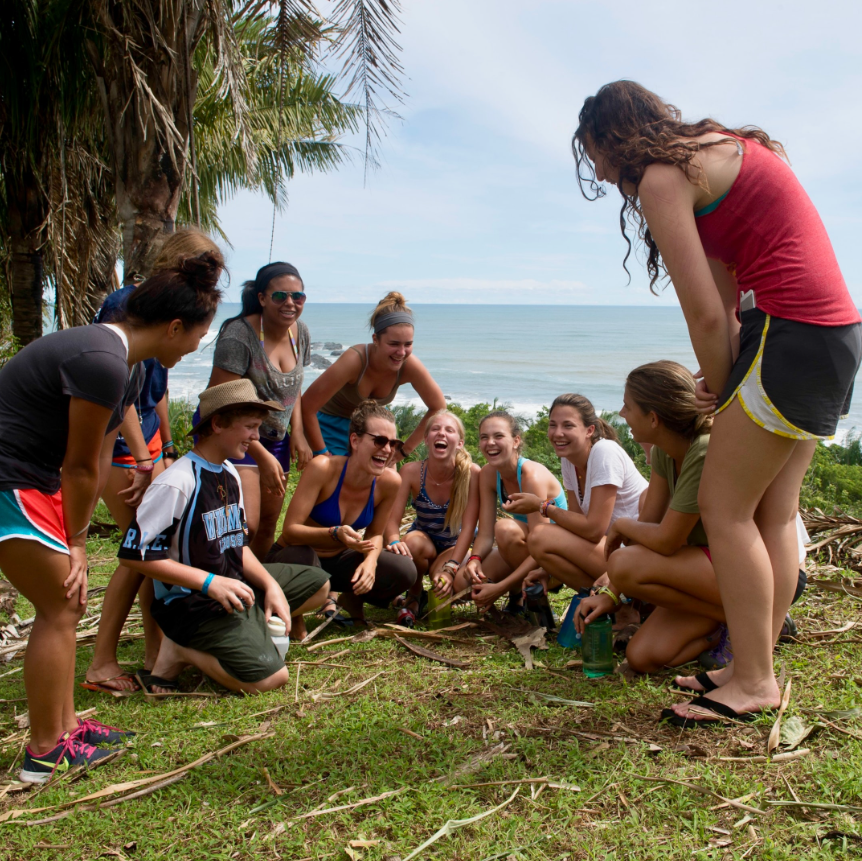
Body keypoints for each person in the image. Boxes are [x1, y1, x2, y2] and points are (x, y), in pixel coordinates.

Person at [574, 81, 861, 725]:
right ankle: (752, 663)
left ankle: (755, 680)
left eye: (594, 153)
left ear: (612, 138)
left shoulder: (660, 176)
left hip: (787, 330)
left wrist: (720, 389)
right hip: (830, 334)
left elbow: (704, 313)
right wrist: (722, 377)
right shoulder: (723, 151)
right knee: (773, 512)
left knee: (724, 509)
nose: (597, 170)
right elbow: (729, 298)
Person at [0, 251, 224, 782]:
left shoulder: (124, 368)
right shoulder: (100, 358)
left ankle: (68, 728)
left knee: (68, 600)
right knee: (59, 603)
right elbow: (79, 466)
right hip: (10, 477)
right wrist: (77, 541)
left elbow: (98, 461)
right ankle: (43, 751)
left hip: (35, 478)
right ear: (173, 327)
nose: (195, 347)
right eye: (197, 336)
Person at [118, 380, 329, 695]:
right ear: (217, 424)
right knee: (273, 679)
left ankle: (249, 624)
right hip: (192, 605)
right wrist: (209, 583)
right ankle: (179, 650)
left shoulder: (228, 473)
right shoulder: (177, 483)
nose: (256, 437)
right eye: (249, 427)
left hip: (233, 587)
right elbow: (134, 556)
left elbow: (236, 544)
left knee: (320, 585)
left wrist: (271, 587)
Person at [85, 228, 222, 695]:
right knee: (137, 555)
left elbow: (155, 392)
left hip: (149, 445)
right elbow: (116, 390)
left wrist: (166, 448)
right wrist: (143, 460)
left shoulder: (177, 314)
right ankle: (104, 661)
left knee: (154, 549)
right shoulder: (128, 303)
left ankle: (155, 649)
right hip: (123, 448)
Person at [573, 362, 721, 675]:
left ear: (653, 419)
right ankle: (722, 627)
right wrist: (610, 594)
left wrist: (622, 526)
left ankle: (748, 618)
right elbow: (651, 523)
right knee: (641, 658)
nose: (622, 413)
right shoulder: (664, 453)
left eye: (628, 406)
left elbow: (666, 540)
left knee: (624, 562)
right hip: (699, 573)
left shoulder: (704, 450)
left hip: (729, 566)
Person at [266, 401, 417, 624]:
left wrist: (371, 562)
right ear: (355, 440)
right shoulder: (323, 469)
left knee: (404, 570)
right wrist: (335, 533)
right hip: (299, 557)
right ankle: (294, 612)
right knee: (301, 556)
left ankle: (352, 598)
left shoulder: (389, 482)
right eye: (379, 441)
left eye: (393, 443)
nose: (387, 450)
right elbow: (290, 531)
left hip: (340, 560)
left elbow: (375, 533)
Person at [201, 262, 311, 558]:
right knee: (243, 525)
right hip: (234, 437)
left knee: (267, 524)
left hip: (278, 439)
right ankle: (220, 582)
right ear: (262, 298)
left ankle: (254, 590)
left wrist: (298, 433)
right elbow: (219, 400)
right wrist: (259, 453)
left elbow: (294, 388)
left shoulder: (299, 332)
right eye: (280, 296)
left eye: (298, 296)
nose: (290, 303)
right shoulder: (239, 336)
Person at [523, 394, 647, 593]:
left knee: (540, 536)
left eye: (568, 426)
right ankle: (615, 607)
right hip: (613, 551)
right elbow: (575, 523)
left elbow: (593, 529)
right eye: (552, 425)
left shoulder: (604, 451)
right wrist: (548, 570)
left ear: (589, 430)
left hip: (639, 554)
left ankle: (627, 604)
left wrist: (542, 506)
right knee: (540, 543)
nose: (557, 433)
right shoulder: (569, 459)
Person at [301, 292, 446, 459]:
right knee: (336, 479)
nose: (401, 352)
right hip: (330, 428)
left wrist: (404, 450)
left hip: (373, 434)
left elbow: (438, 407)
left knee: (387, 481)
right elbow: (307, 406)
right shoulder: (355, 360)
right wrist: (321, 453)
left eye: (408, 344)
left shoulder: (409, 365)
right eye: (394, 344)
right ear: (375, 339)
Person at [383, 410, 481, 626]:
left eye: (449, 430)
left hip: (456, 546)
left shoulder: (471, 473)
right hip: (423, 541)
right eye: (435, 429)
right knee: (411, 543)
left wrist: (452, 567)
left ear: (460, 443)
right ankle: (415, 593)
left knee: (453, 587)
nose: (441, 434)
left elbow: (469, 528)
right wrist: (393, 541)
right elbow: (392, 520)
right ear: (426, 440)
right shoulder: (410, 472)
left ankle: (438, 591)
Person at [465, 411, 568, 614]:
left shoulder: (531, 475)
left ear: (516, 441)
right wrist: (474, 559)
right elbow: (485, 534)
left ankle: (530, 598)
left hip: (554, 561)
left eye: (499, 436)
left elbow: (542, 541)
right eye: (484, 437)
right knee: (464, 585)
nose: (490, 443)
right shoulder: (488, 474)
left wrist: (499, 588)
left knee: (505, 529)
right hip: (524, 550)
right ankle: (518, 600)